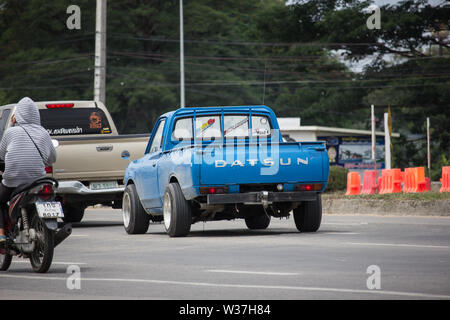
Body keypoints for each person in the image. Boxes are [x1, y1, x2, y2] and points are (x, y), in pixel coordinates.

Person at [0, 97, 57, 244]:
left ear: (18, 115)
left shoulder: (11, 132)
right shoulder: (43, 133)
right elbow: (52, 159)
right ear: (36, 114)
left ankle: (1, 234)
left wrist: (12, 124)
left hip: (13, 181)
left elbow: (1, 155)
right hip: (37, 181)